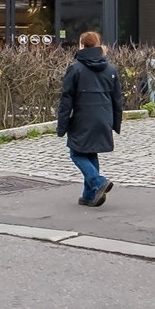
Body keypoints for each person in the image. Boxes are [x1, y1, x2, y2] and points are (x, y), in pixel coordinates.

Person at [56, 30, 123, 207]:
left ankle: (98, 181)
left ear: (82, 45)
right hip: (104, 117)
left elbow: (66, 99)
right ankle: (89, 195)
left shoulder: (75, 68)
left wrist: (62, 126)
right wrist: (115, 123)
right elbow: (117, 99)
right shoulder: (111, 69)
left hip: (82, 118)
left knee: (76, 152)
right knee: (90, 152)